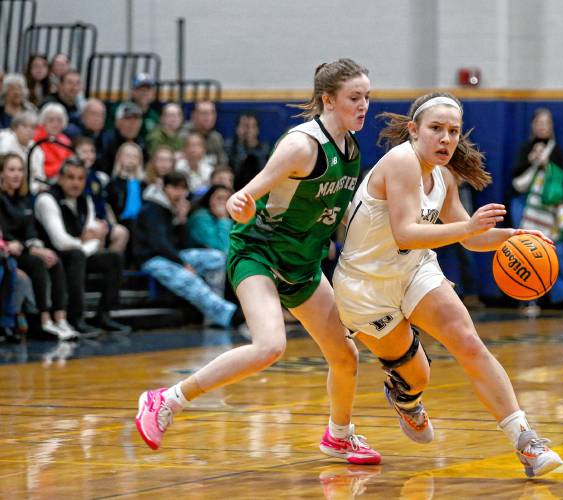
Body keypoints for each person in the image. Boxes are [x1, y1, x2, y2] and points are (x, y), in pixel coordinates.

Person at [135, 58, 381, 465]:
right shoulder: (301, 146)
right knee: (270, 346)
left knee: (345, 355)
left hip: (301, 263)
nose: (364, 105)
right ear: (328, 100)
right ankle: (167, 400)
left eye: (367, 97)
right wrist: (238, 203)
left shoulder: (351, 149)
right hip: (260, 253)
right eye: (355, 97)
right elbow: (245, 197)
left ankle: (339, 436)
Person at [332, 92, 563, 477]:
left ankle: (526, 441)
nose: (445, 139)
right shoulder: (402, 161)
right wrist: (468, 227)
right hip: (365, 287)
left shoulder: (443, 176)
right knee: (417, 375)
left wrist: (515, 236)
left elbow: (469, 238)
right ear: (414, 130)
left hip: (412, 271)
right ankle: (405, 396)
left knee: (468, 341)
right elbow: (405, 232)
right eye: (436, 129)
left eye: (453, 131)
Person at [34, 157, 130, 334]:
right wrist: (83, 242)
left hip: (79, 254)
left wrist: (83, 245)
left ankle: (103, 315)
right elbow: (60, 242)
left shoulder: (86, 200)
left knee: (114, 258)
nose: (75, 183)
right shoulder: (47, 199)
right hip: (53, 256)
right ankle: (76, 318)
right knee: (76, 256)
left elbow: (95, 236)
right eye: (70, 177)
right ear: (60, 178)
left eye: (80, 178)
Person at [133, 170, 238, 326]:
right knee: (188, 278)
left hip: (173, 255)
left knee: (217, 258)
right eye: (175, 188)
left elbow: (179, 243)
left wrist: (182, 220)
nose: (179, 193)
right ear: (165, 188)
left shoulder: (174, 209)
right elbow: (159, 243)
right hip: (152, 258)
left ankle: (211, 315)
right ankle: (228, 313)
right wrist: (183, 263)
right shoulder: (152, 209)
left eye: (183, 189)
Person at [510, 108, 563, 316]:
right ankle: (529, 298)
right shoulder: (525, 149)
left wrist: (546, 164)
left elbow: (560, 181)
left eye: (547, 123)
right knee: (527, 252)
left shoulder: (557, 151)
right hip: (525, 206)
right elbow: (516, 180)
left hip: (548, 208)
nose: (543, 126)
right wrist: (533, 161)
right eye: (539, 122)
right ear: (533, 125)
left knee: (557, 251)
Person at [0, 153, 77, 339]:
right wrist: (30, 248)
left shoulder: (25, 199)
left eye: (20, 170)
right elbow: (5, 233)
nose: (17, 174)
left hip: (24, 249)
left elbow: (31, 230)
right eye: (11, 170)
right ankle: (42, 321)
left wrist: (35, 245)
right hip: (9, 251)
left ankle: (60, 318)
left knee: (53, 259)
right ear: (1, 173)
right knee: (37, 262)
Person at [29, 103, 73, 192]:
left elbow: (71, 161)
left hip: (63, 178)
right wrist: (61, 169)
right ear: (43, 122)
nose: (55, 124)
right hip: (44, 181)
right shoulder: (36, 138)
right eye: (51, 120)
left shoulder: (65, 140)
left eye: (59, 120)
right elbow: (38, 169)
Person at [226, 112, 271, 190]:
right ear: (237, 129)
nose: (248, 130)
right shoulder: (229, 147)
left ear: (257, 130)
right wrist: (241, 141)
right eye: (244, 126)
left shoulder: (265, 149)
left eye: (252, 126)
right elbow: (234, 170)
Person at [186, 184, 233, 252]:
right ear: (209, 199)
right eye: (219, 198)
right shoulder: (200, 217)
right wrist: (223, 218)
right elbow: (221, 248)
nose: (223, 203)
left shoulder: (232, 217)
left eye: (227, 199)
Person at [181, 100, 227, 167]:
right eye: (204, 113)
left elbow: (223, 163)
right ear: (194, 115)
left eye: (212, 113)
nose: (208, 117)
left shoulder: (216, 137)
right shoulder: (184, 135)